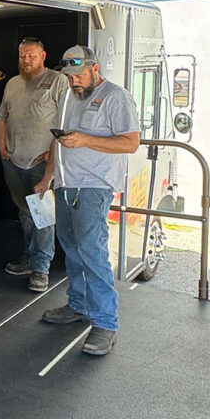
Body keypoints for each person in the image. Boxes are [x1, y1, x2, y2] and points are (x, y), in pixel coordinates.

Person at [36, 45, 140, 356]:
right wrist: (48, 178)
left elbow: (131, 143)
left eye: (79, 75)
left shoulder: (116, 97)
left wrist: (85, 140)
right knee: (72, 249)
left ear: (95, 69)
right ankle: (78, 304)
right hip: (66, 185)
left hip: (94, 187)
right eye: (69, 77)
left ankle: (106, 323)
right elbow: (58, 142)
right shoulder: (69, 96)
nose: (74, 81)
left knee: (93, 253)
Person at [0, 37, 70, 293]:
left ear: (43, 56)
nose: (26, 60)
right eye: (22, 56)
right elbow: (3, 117)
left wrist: (53, 153)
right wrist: (2, 148)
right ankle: (29, 258)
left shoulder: (58, 81)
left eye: (31, 56)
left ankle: (41, 269)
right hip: (14, 161)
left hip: (41, 163)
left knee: (43, 215)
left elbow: (65, 123)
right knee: (26, 213)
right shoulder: (13, 84)